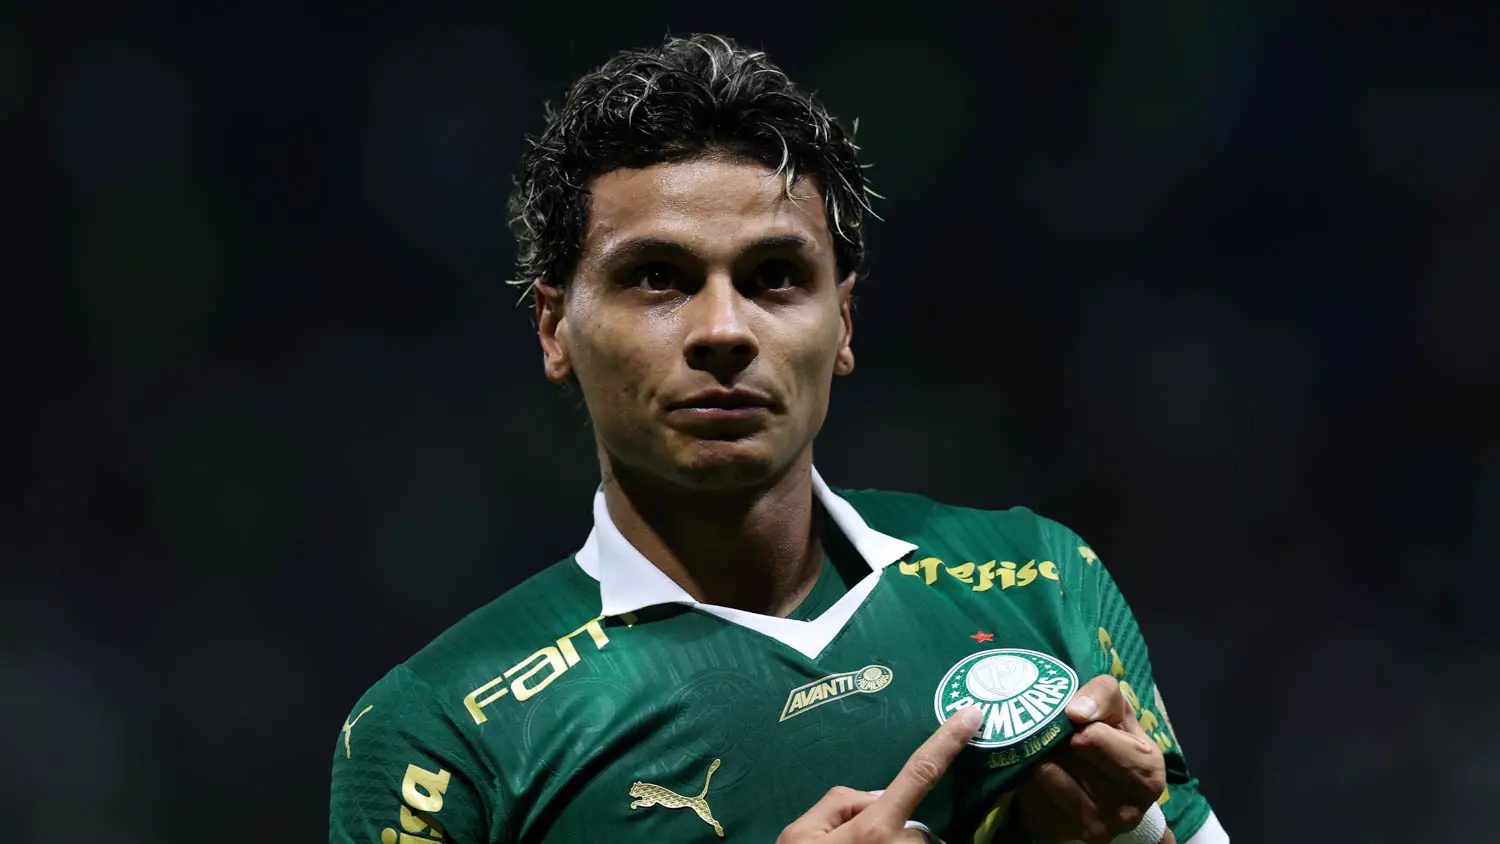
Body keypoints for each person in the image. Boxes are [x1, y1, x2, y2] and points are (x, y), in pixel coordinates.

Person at [328, 33, 1228, 844]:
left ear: (843, 323)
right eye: (657, 277)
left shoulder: (1041, 578)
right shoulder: (440, 736)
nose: (724, 329)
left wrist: (1127, 839)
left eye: (774, 276)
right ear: (554, 327)